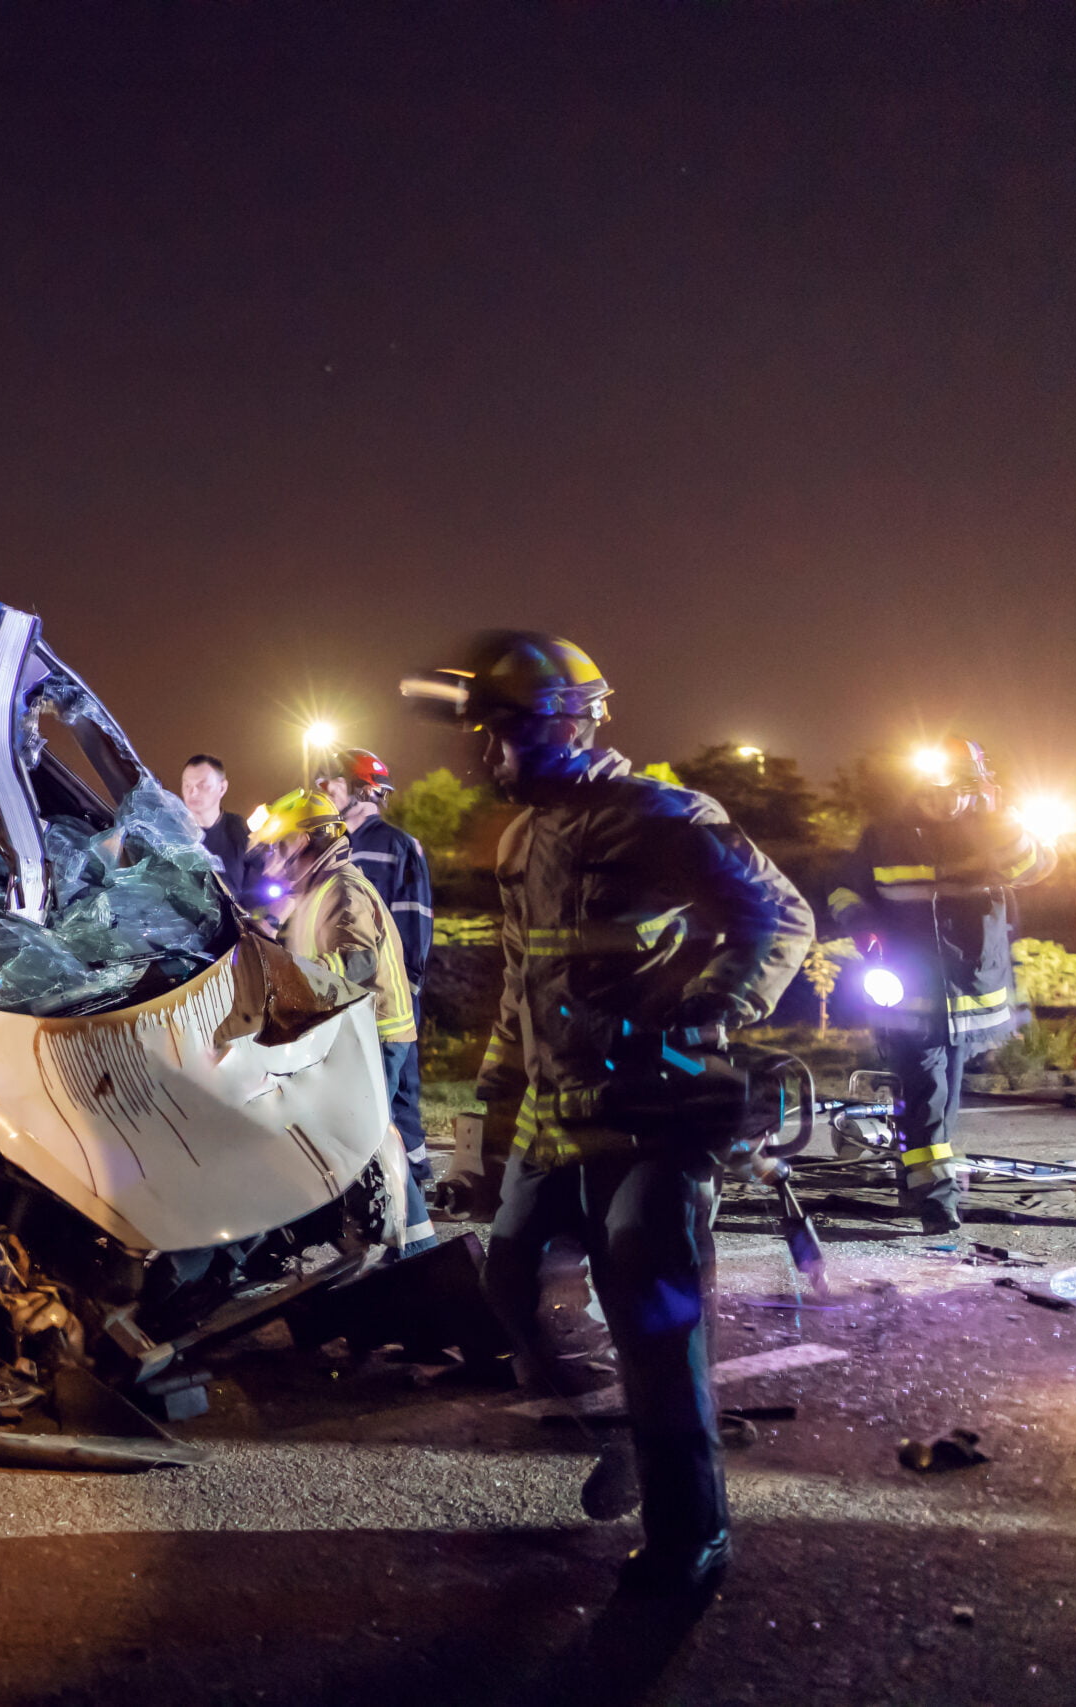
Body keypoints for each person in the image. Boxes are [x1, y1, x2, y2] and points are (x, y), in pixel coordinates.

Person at [402, 631, 811, 1599]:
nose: (480, 757)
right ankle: (623, 1427)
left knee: (652, 1316)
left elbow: (778, 918)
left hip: (654, 1115)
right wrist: (497, 1106)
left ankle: (687, 1536)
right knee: (508, 1279)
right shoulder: (522, 837)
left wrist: (700, 1009)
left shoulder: (660, 814)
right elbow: (521, 977)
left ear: (557, 726)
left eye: (494, 736)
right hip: (553, 1112)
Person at [827, 737, 1054, 1233]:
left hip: (971, 990)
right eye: (930, 794)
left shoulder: (993, 829)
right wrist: (862, 925)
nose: (940, 804)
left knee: (942, 1094)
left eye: (952, 793)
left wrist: (1002, 822)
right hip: (908, 990)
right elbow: (844, 890)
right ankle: (936, 1199)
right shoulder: (883, 834)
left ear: (974, 788)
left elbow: (1035, 868)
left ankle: (917, 1182)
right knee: (926, 1091)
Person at [258, 785, 435, 1248]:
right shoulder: (319, 888)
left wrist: (288, 973)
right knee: (361, 1140)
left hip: (375, 1035)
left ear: (303, 841)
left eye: (280, 844)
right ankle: (400, 1243)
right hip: (354, 1034)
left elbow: (357, 961)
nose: (274, 856)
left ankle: (415, 1250)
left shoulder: (343, 888)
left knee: (365, 1142)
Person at [317, 747, 436, 1186]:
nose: (325, 791)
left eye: (331, 783)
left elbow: (414, 918)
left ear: (361, 788)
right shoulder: (334, 845)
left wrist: (410, 985)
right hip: (347, 994)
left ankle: (413, 1176)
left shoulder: (397, 845)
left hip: (389, 996)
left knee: (398, 1089)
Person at [179, 754, 264, 909]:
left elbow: (263, 881)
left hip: (234, 929)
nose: (193, 793)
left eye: (202, 785)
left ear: (222, 787)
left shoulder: (240, 830)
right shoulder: (173, 834)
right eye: (187, 785)